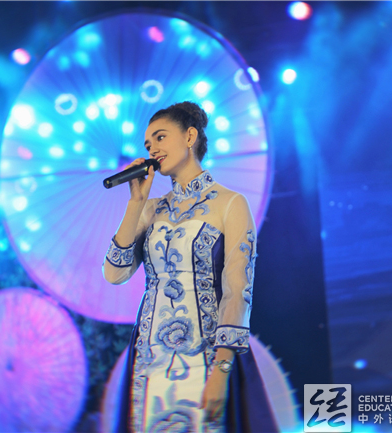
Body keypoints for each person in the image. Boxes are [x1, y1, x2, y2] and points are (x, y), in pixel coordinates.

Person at [102, 101, 278, 432]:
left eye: (160, 137)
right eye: (148, 145)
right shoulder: (150, 208)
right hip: (150, 357)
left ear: (190, 137)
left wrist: (222, 371)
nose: (152, 149)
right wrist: (135, 202)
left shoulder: (230, 203)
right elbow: (114, 273)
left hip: (207, 356)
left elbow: (237, 291)